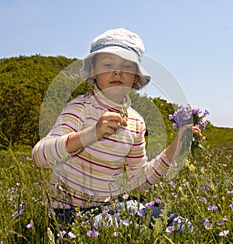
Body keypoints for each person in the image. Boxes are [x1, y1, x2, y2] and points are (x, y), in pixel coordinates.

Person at [32, 28, 201, 232]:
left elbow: (137, 182)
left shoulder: (136, 122)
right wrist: (91, 134)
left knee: (182, 226)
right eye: (108, 64)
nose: (117, 72)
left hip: (112, 206)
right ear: (94, 71)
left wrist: (175, 148)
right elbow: (39, 156)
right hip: (70, 213)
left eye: (127, 66)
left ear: (136, 77)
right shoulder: (80, 108)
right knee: (132, 233)